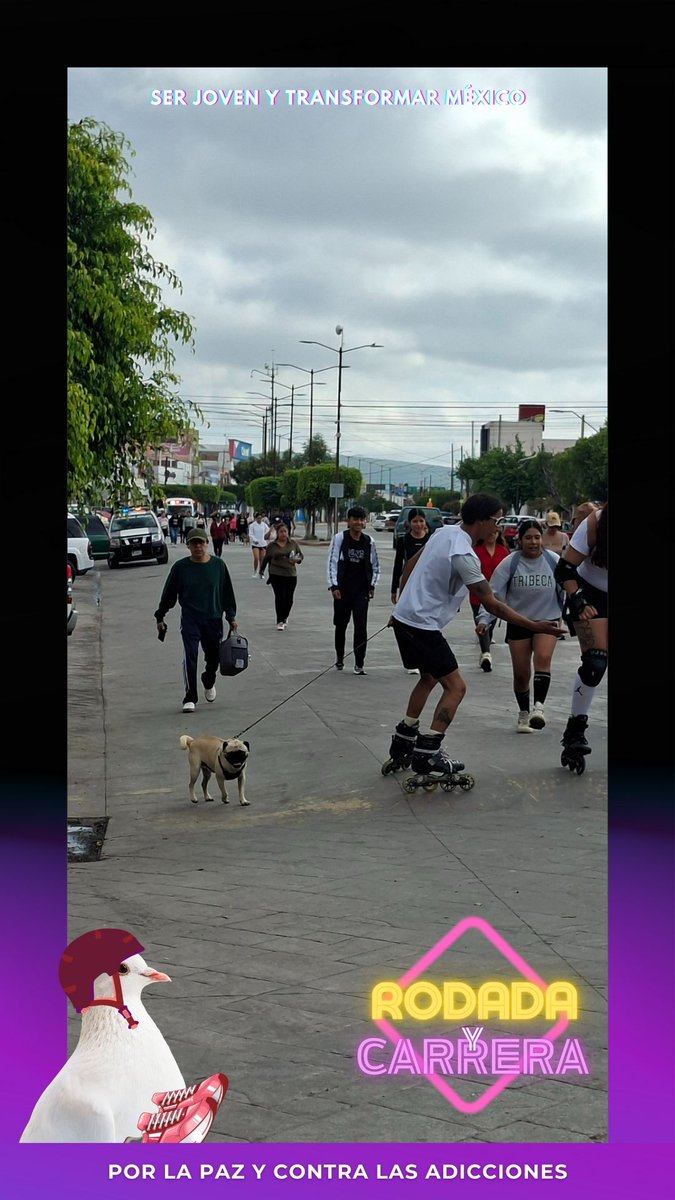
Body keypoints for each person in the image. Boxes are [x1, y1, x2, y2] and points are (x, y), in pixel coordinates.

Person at [386, 493, 564, 780]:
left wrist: (401, 606)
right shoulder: (464, 555)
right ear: (481, 521)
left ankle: (404, 736)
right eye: (497, 521)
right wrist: (535, 626)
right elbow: (492, 604)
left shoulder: (444, 533)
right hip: (422, 626)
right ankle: (429, 751)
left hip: (406, 620)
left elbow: (410, 566)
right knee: (456, 688)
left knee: (429, 678)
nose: (498, 527)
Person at [487, 518, 565, 732]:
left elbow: (566, 588)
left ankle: (539, 708)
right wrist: (485, 620)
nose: (533, 542)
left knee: (543, 658)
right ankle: (523, 713)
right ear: (520, 540)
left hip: (548, 619)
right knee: (521, 674)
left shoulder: (553, 560)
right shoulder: (510, 563)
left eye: (537, 537)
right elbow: (493, 594)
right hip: (519, 622)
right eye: (528, 538)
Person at [154, 526, 238, 714]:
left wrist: (231, 616)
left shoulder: (218, 566)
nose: (198, 547)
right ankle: (190, 696)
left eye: (201, 543)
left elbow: (227, 593)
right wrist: (160, 615)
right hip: (191, 619)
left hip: (213, 618)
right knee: (190, 655)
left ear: (207, 544)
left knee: (213, 657)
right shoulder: (180, 568)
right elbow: (169, 594)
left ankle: (208, 680)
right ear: (188, 546)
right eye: (194, 543)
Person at [554, 502, 608, 762]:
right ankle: (575, 730)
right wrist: (577, 599)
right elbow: (564, 569)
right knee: (595, 663)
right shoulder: (596, 523)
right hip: (591, 595)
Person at [326, 505, 381, 675]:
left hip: (361, 592)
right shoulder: (339, 539)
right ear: (348, 522)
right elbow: (332, 562)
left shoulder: (369, 542)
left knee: (361, 627)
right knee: (341, 625)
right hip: (342, 590)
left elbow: (375, 566)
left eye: (361, 519)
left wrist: (372, 585)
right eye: (355, 519)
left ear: (365, 522)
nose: (358, 522)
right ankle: (340, 658)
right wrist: (334, 585)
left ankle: (359, 663)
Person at [390, 508, 436, 675]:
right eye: (415, 521)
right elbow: (398, 565)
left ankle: (427, 656)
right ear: (409, 523)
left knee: (426, 621)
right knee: (409, 622)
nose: (418, 524)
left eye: (421, 521)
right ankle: (412, 660)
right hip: (409, 585)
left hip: (427, 586)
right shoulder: (404, 540)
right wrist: (394, 589)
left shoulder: (431, 540)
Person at [468, 525, 510, 672]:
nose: (492, 535)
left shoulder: (503, 551)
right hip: (477, 593)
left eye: (495, 533)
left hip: (496, 595)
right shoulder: (475, 551)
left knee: (490, 623)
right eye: (490, 532)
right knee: (481, 622)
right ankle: (486, 653)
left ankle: (485, 651)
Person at [259, 520, 304, 629]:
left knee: (289, 599)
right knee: (280, 597)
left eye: (285, 531)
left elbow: (300, 556)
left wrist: (297, 560)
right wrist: (261, 570)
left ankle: (285, 616)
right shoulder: (272, 546)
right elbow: (266, 559)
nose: (283, 534)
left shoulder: (293, 544)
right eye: (281, 532)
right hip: (276, 574)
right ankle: (280, 620)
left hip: (290, 574)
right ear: (277, 533)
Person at [247, 512, 269, 576]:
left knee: (262, 559)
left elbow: (267, 532)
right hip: (255, 544)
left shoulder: (264, 525)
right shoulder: (252, 525)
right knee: (256, 558)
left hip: (263, 544)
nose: (259, 519)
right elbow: (251, 534)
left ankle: (261, 572)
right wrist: (255, 540)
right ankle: (255, 571)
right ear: (256, 518)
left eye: (260, 518)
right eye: (258, 518)